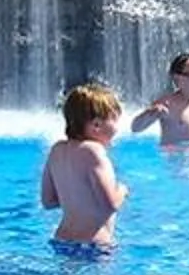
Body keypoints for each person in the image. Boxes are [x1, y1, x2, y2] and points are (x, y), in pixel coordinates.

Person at [40, 82, 129, 251]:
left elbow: (48, 201)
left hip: (61, 240)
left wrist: (76, 198)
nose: (117, 129)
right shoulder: (94, 151)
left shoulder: (57, 150)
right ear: (96, 125)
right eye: (114, 120)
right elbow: (110, 204)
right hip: (93, 245)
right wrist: (122, 190)